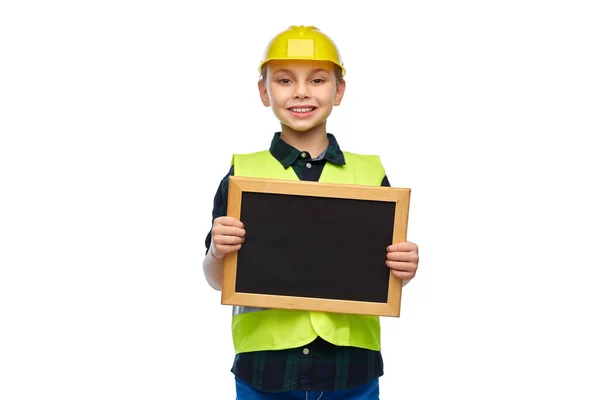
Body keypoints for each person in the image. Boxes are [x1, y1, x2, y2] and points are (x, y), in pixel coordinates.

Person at [202, 25, 419, 400]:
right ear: (263, 91)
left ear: (338, 91)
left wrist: (405, 266)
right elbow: (217, 278)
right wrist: (216, 251)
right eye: (285, 80)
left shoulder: (370, 175)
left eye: (317, 80)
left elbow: (383, 272)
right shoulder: (242, 175)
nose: (301, 92)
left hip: (351, 371)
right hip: (265, 371)